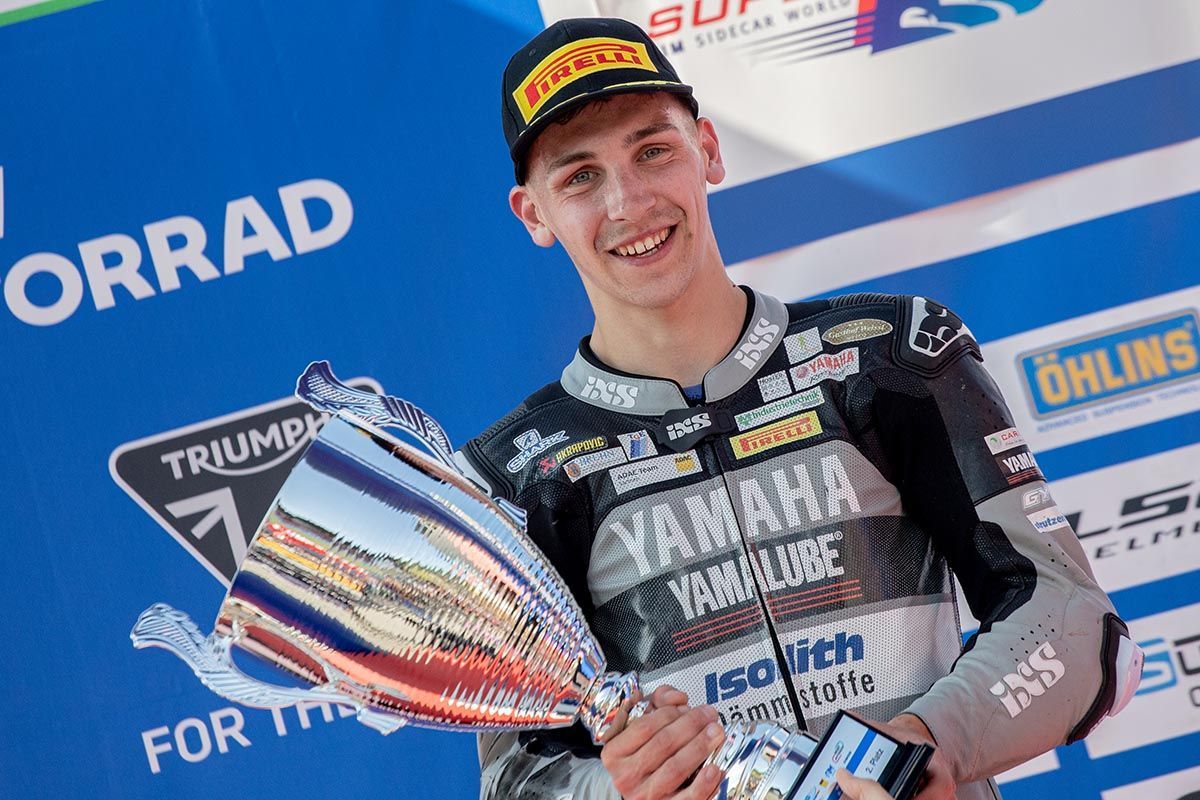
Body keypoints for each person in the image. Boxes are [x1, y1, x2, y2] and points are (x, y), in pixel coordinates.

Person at [455, 16, 1142, 800]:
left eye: (653, 151)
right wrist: (621, 790)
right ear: (534, 214)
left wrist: (921, 749)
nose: (629, 202)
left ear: (708, 150)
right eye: (580, 177)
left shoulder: (889, 355)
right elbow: (515, 776)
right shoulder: (510, 479)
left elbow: (1075, 624)